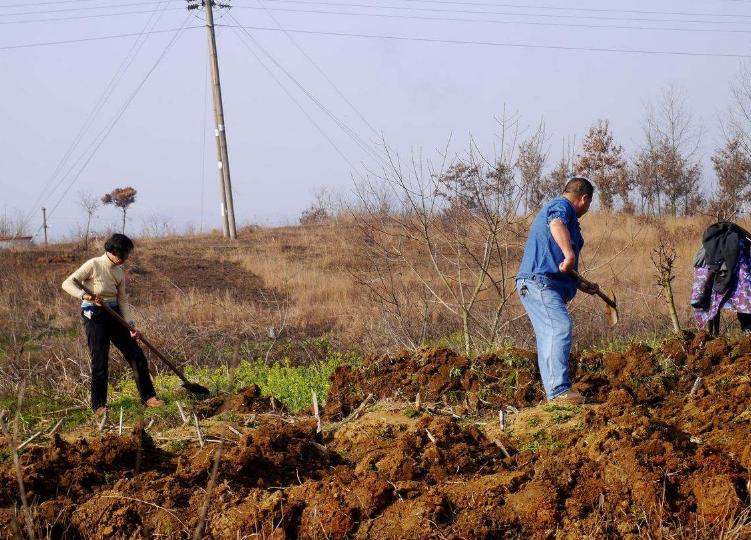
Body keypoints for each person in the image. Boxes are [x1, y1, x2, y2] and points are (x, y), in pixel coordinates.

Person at [516, 177, 600, 404]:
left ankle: (555, 393)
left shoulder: (567, 215)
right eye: (589, 203)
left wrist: (581, 284)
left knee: (549, 335)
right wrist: (570, 253)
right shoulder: (562, 207)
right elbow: (556, 224)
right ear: (584, 198)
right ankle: (559, 391)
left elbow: (559, 261)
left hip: (541, 283)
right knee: (560, 327)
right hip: (540, 282)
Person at [62, 233, 163, 415]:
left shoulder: (118, 271)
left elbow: (122, 300)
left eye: (127, 255)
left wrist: (130, 325)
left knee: (136, 354)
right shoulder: (93, 264)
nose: (125, 259)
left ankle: (148, 397)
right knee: (100, 359)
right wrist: (86, 296)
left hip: (114, 313)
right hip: (94, 314)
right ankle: (99, 405)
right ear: (112, 251)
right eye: (123, 255)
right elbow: (67, 283)